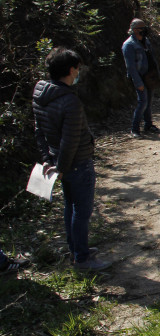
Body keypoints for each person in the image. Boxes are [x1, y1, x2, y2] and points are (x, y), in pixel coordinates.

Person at [33, 48, 111, 271]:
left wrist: (49, 159)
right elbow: (71, 139)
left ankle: (76, 249)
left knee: (70, 207)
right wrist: (62, 168)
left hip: (58, 160)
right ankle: (83, 258)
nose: (78, 72)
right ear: (70, 70)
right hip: (76, 163)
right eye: (77, 68)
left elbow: (39, 131)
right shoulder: (70, 101)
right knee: (82, 211)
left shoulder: (40, 93)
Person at [122, 19, 160, 138]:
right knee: (142, 102)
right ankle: (135, 129)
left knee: (148, 102)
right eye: (141, 28)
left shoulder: (146, 41)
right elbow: (130, 67)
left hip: (150, 77)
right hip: (140, 78)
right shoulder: (129, 45)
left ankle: (148, 125)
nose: (145, 30)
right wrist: (137, 82)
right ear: (134, 30)